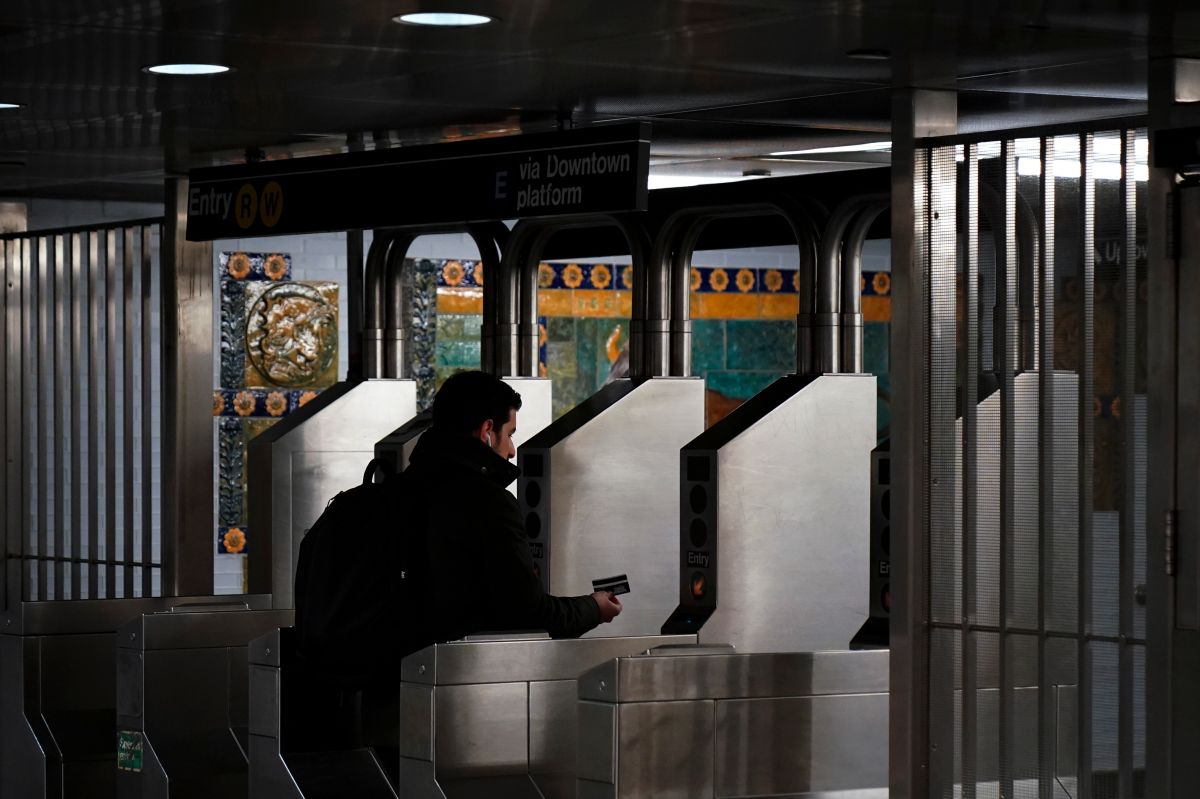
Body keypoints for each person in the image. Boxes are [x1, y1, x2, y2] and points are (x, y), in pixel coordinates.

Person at [404, 371, 622, 649]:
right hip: (454, 674)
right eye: (509, 435)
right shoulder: (489, 505)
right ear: (486, 432)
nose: (512, 450)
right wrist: (594, 608)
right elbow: (530, 613)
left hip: (385, 674)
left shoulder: (399, 489)